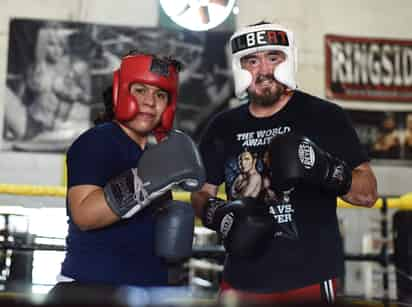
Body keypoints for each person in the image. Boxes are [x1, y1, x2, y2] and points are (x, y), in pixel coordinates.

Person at [191, 22, 378, 303]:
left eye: (273, 58)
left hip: (309, 277)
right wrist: (217, 214)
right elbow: (201, 192)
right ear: (240, 67)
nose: (264, 70)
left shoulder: (324, 116)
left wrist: (324, 168)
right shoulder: (222, 126)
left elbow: (368, 193)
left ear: (288, 60)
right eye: (252, 61)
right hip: (241, 277)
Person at [47, 51, 204, 301]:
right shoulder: (98, 141)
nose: (150, 102)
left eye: (160, 95)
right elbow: (85, 215)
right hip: (93, 291)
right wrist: (145, 182)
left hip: (143, 292)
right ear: (122, 92)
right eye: (141, 90)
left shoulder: (154, 155)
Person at [5, 22, 92, 151]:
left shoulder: (76, 67)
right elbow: (20, 98)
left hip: (59, 129)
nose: (57, 50)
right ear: (43, 45)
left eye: (61, 45)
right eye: (51, 44)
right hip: (30, 124)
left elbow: (90, 99)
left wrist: (74, 93)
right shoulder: (35, 69)